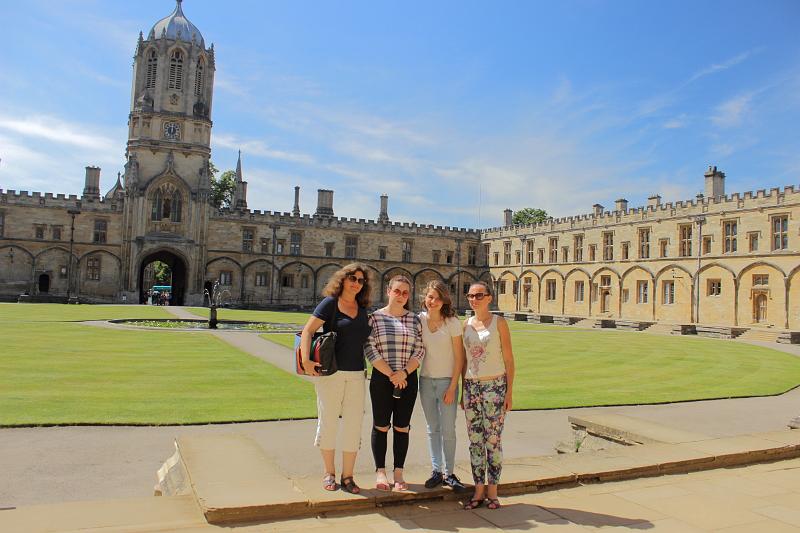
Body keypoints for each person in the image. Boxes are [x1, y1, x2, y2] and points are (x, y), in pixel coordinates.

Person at [299, 263, 373, 494]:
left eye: (361, 281)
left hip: (356, 374)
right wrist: (306, 360)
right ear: (342, 279)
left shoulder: (362, 309)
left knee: (353, 425)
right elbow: (308, 331)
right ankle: (329, 473)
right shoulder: (330, 303)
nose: (356, 283)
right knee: (329, 422)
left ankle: (348, 476)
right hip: (330, 373)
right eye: (352, 278)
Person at [365, 275, 425, 491]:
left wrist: (404, 373)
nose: (401, 296)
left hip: (407, 378)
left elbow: (420, 349)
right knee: (381, 425)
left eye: (405, 292)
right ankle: (380, 472)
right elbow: (370, 348)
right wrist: (392, 373)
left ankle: (398, 472)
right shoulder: (375, 318)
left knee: (402, 427)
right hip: (383, 377)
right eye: (397, 291)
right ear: (388, 291)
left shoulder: (414, 319)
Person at [461, 281, 515, 510]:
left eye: (479, 295)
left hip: (495, 386)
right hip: (471, 387)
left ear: (489, 298)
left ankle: (493, 491)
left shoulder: (499, 323)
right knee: (475, 442)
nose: (474, 299)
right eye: (471, 295)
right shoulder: (466, 325)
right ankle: (478, 488)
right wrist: (462, 392)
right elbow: (463, 360)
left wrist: (509, 393)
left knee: (493, 441)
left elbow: (509, 360)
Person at [418, 280, 467, 493]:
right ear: (425, 298)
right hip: (426, 381)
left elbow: (459, 357)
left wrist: (453, 386)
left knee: (448, 430)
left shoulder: (452, 322)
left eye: (438, 298)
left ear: (444, 300)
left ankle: (449, 473)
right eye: (430, 297)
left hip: (447, 381)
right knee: (432, 429)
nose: (433, 301)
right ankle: (436, 471)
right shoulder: (419, 320)